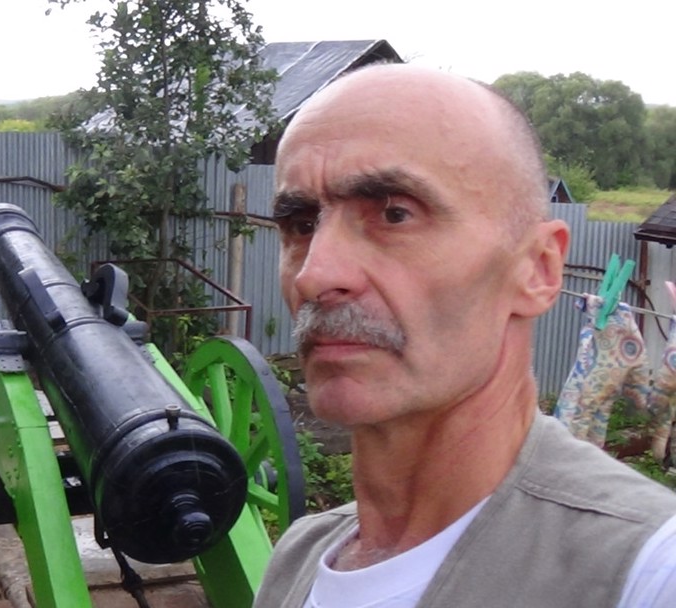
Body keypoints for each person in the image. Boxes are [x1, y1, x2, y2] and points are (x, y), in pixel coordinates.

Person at [253, 64, 676, 608]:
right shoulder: (297, 559)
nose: (315, 274)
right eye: (301, 225)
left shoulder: (647, 574)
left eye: (395, 214)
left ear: (538, 269)